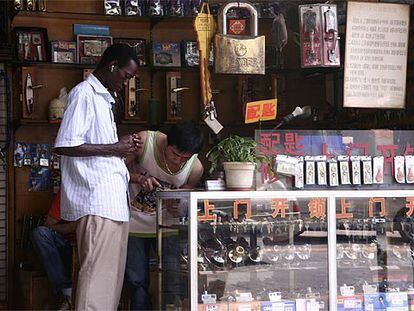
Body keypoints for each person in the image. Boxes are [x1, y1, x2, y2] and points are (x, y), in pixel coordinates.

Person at [53, 44, 142, 310]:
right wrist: (115, 148)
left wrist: (122, 150)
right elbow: (65, 144)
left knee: (107, 282)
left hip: (111, 204)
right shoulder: (84, 94)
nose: (126, 83)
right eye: (125, 76)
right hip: (97, 204)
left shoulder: (103, 98)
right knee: (95, 280)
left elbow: (99, 149)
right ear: (113, 66)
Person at [125, 122, 204, 310]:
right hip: (133, 224)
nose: (177, 161)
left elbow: (184, 195)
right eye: (174, 154)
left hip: (167, 227)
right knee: (136, 280)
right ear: (167, 141)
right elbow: (115, 170)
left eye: (184, 158)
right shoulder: (145, 142)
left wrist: (177, 204)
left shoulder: (195, 168)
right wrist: (139, 179)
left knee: (173, 277)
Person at [31, 190, 76, 310]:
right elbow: (47, 225)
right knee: (40, 234)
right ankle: (67, 292)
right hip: (67, 246)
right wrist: (71, 227)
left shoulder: (102, 194)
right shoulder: (67, 193)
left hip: (91, 248)